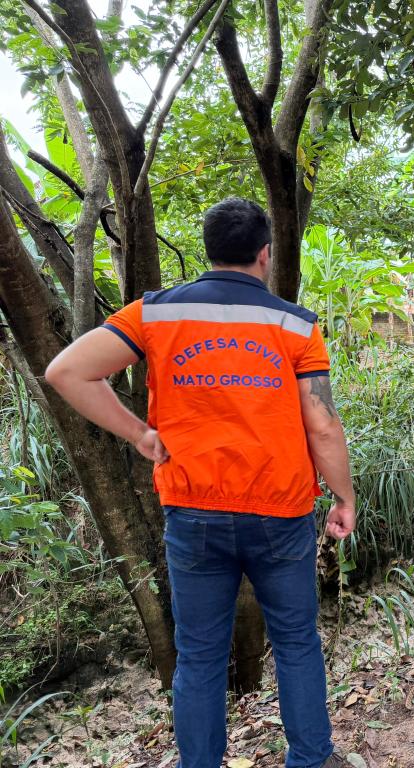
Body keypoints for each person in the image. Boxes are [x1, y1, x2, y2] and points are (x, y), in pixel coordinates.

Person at [45, 198, 356, 768]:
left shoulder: (155, 313)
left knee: (200, 658)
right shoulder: (296, 324)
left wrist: (139, 433)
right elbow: (322, 423)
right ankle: (312, 760)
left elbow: (65, 370)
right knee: (295, 643)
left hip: (193, 512)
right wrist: (344, 496)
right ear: (266, 254)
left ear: (210, 250)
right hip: (280, 514)